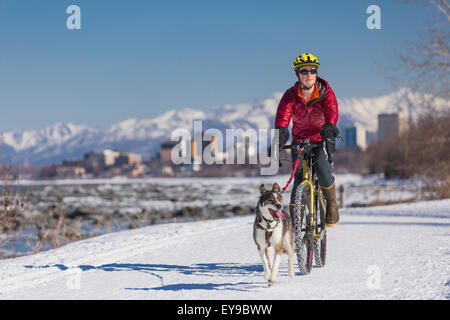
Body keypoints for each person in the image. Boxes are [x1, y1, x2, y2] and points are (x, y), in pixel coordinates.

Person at [275, 53, 340, 227]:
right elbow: (284, 115)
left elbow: (332, 111)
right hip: (300, 141)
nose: (309, 74)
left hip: (319, 140)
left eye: (313, 70)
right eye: (304, 71)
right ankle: (297, 222)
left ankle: (332, 204)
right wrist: (280, 134)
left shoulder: (325, 91)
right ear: (298, 75)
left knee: (323, 171)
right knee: (298, 177)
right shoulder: (290, 95)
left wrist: (329, 127)